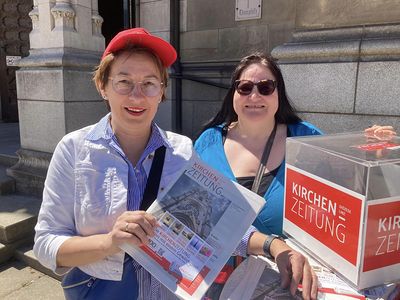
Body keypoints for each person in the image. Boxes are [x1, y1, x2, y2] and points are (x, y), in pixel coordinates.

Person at [33, 30, 318, 300]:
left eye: (149, 83)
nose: (137, 95)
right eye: (123, 81)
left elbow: (218, 225)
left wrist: (274, 246)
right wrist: (110, 242)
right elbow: (47, 244)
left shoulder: (181, 151)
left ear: (162, 91)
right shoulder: (74, 150)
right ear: (102, 86)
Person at [195, 52, 396, 237]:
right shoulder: (207, 142)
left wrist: (373, 151)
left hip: (286, 270)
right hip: (220, 272)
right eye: (245, 88)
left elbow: (347, 181)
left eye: (265, 87)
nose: (254, 97)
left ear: (278, 93)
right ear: (234, 94)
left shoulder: (305, 138)